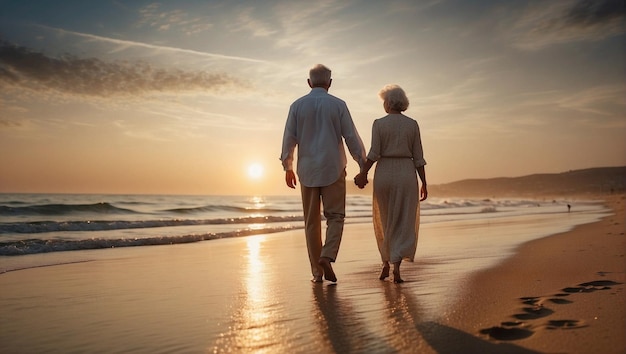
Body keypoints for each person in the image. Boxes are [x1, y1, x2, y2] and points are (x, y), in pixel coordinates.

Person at [280, 64, 367, 283]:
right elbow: (351, 138)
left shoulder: (297, 106)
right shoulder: (338, 105)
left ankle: (317, 273)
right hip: (333, 168)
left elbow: (289, 138)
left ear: (309, 83)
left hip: (307, 170)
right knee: (335, 216)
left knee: (311, 222)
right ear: (330, 82)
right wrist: (362, 164)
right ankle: (327, 255)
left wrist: (287, 166)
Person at [354, 84, 427, 283]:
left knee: (385, 219)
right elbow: (418, 158)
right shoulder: (412, 124)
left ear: (387, 103)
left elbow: (374, 153)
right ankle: (396, 267)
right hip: (405, 173)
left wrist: (363, 173)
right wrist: (424, 183)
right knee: (403, 220)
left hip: (384, 172)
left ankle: (385, 263)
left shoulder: (379, 123)